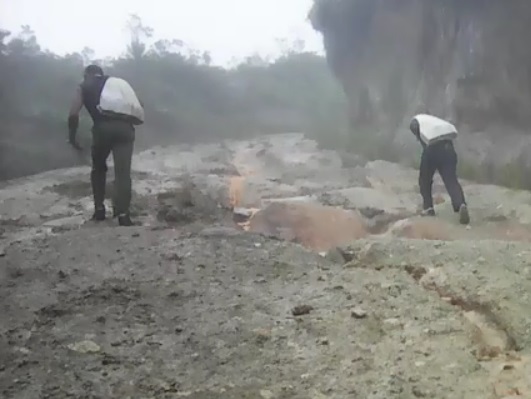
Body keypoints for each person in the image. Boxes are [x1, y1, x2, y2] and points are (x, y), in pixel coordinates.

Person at [68, 65, 142, 226]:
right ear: (101, 74)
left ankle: (100, 210)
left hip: (102, 129)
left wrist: (72, 137)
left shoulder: (84, 86)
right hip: (125, 129)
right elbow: (135, 104)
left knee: (99, 168)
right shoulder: (116, 85)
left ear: (86, 75)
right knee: (123, 173)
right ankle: (123, 215)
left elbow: (73, 113)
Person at [410, 113, 470, 225]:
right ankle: (461, 204)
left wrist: (422, 142)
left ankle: (428, 208)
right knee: (451, 180)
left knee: (425, 179)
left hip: (432, 149)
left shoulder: (416, 121)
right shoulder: (437, 123)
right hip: (449, 148)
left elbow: (419, 134)